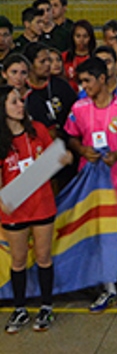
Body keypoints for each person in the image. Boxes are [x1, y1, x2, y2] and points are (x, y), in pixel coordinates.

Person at [64, 58, 117, 328]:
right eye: (81, 81)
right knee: (99, 239)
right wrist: (81, 149)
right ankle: (108, 290)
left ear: (102, 79)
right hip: (90, 186)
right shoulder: (78, 107)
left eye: (87, 80)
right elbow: (71, 136)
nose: (83, 85)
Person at [0, 85, 72, 333]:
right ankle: (20, 309)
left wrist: (63, 158)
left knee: (43, 257)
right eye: (14, 102)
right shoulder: (1, 142)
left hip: (42, 206)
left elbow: (57, 157)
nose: (21, 105)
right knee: (18, 260)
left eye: (20, 101)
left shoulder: (38, 130)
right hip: (14, 209)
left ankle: (46, 307)